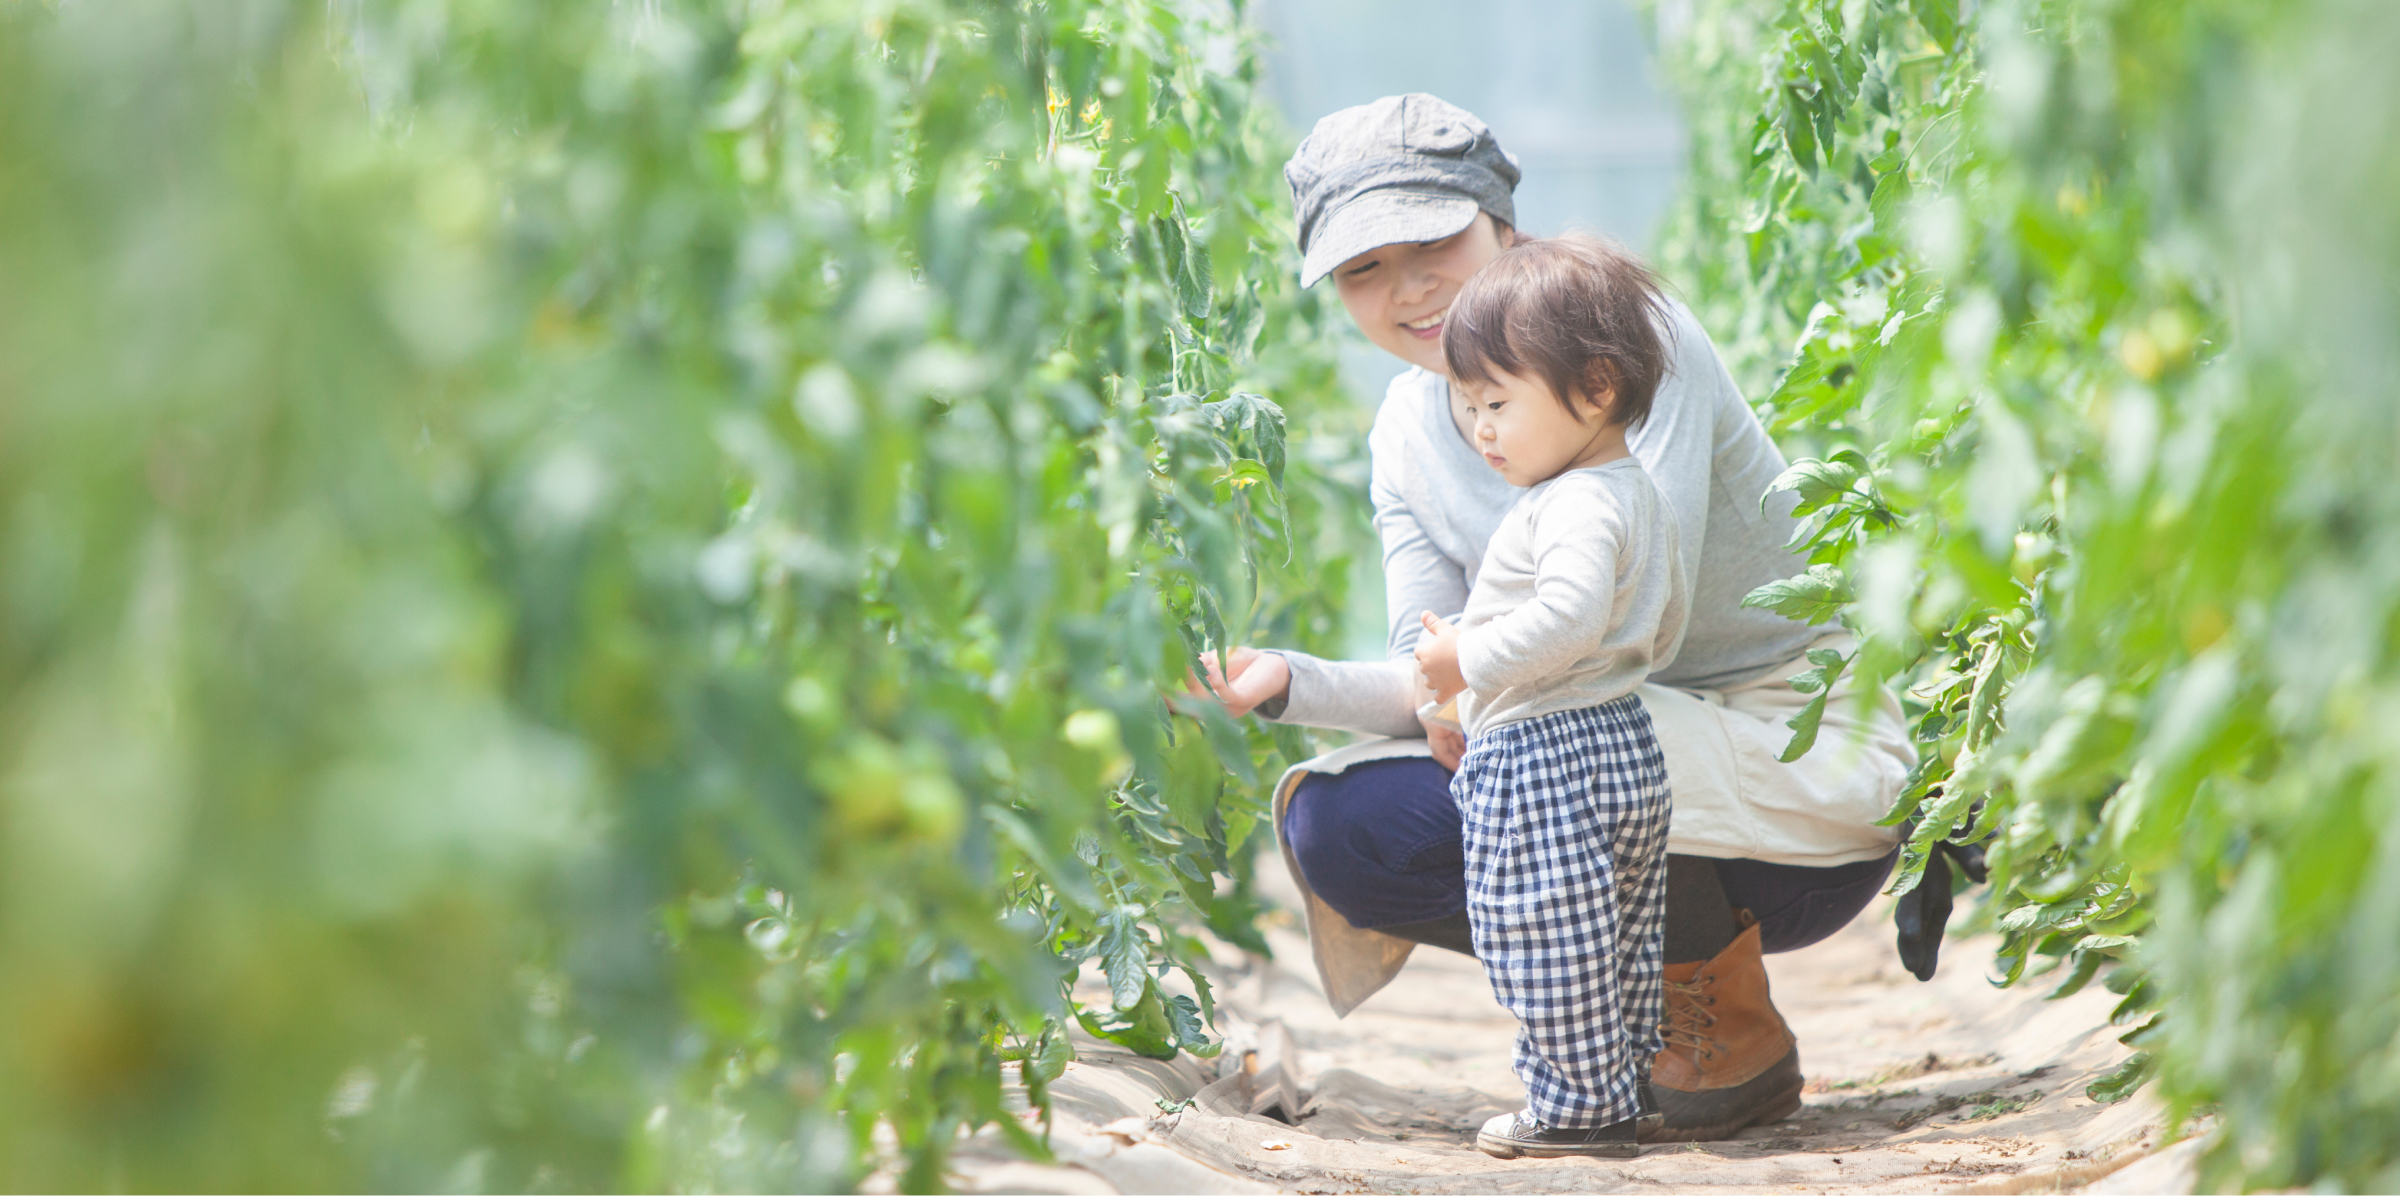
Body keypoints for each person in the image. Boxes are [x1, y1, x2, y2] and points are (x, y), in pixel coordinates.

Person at [1192, 94, 1916, 1142]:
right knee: (1339, 827)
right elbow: (1431, 669)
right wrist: (1290, 681)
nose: (1409, 289)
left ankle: (1718, 1017)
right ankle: (1611, 1022)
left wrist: (1461, 696)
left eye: (1433, 241)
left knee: (1551, 736)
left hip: (1794, 772)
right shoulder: (1406, 429)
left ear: (1501, 223)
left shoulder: (1622, 347)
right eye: (1363, 268)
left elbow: (1632, 627)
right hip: (1612, 749)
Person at [1408, 233, 1688, 1159]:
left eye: (1496, 403)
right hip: (1621, 738)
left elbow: (1567, 618)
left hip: (1543, 751)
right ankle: (1620, 1086)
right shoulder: (1631, 491)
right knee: (1618, 935)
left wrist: (1465, 662)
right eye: (1468, 407)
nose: (1481, 430)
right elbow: (1660, 620)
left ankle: (1575, 1109)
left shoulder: (1570, 503)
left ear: (1598, 387)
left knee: (1544, 933)